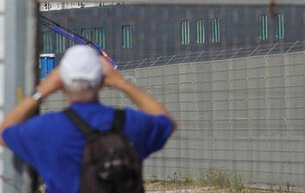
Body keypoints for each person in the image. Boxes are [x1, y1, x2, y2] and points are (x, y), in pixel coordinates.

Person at [0, 45, 176, 193]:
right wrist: (123, 83)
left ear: (60, 83)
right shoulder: (129, 123)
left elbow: (4, 132)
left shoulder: (47, 128)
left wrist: (42, 90)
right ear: (102, 80)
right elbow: (166, 121)